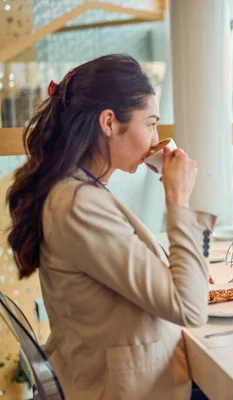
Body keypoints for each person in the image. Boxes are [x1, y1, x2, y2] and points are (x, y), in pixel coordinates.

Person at [6, 54, 214, 400]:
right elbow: (190, 308)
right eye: (150, 123)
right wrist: (178, 197)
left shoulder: (78, 191)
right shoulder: (77, 205)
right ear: (108, 122)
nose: (155, 139)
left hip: (117, 372)